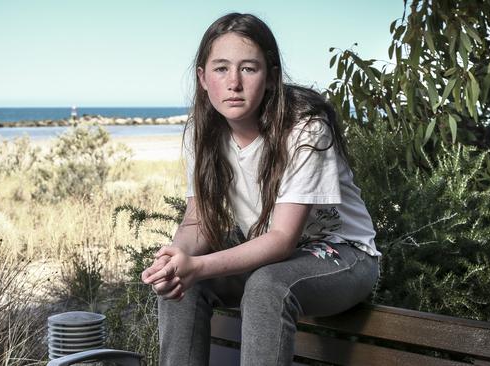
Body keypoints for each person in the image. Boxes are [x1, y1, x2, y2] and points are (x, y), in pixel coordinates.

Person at [141, 12, 381, 366]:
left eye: (248, 68)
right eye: (221, 68)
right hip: (264, 250)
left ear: (270, 77)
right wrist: (177, 260)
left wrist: (199, 265)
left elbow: (283, 238)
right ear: (203, 78)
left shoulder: (305, 128)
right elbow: (199, 221)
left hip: (345, 255)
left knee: (268, 287)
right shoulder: (202, 132)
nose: (233, 82)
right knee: (182, 284)